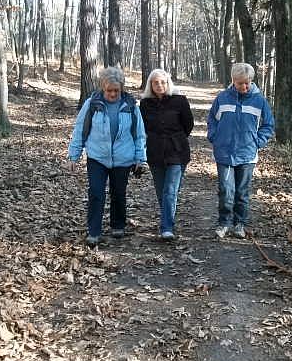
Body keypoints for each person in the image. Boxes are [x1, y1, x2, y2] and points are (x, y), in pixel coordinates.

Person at [66, 67, 147, 248]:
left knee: (119, 193)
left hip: (123, 158)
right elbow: (80, 130)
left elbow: (139, 134)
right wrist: (73, 156)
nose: (112, 94)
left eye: (116, 90)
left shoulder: (131, 106)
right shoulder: (91, 104)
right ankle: (94, 231)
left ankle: (118, 225)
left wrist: (140, 159)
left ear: (122, 88)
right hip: (97, 157)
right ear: (102, 88)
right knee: (96, 192)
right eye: (109, 90)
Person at [207, 62, 275, 239]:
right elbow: (212, 120)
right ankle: (224, 223)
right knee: (225, 191)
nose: (244, 86)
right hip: (225, 153)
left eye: (247, 82)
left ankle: (240, 224)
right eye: (240, 83)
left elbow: (268, 125)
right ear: (233, 81)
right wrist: (214, 137)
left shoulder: (260, 101)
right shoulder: (222, 98)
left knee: (242, 193)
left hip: (247, 155)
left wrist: (257, 142)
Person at [140, 69, 194, 240]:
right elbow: (142, 128)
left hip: (177, 151)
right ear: (151, 85)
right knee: (161, 191)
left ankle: (166, 227)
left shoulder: (180, 101)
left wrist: (175, 138)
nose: (160, 85)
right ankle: (168, 218)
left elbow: (188, 125)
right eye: (156, 82)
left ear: (168, 82)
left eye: (162, 82)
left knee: (170, 190)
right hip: (155, 151)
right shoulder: (145, 104)